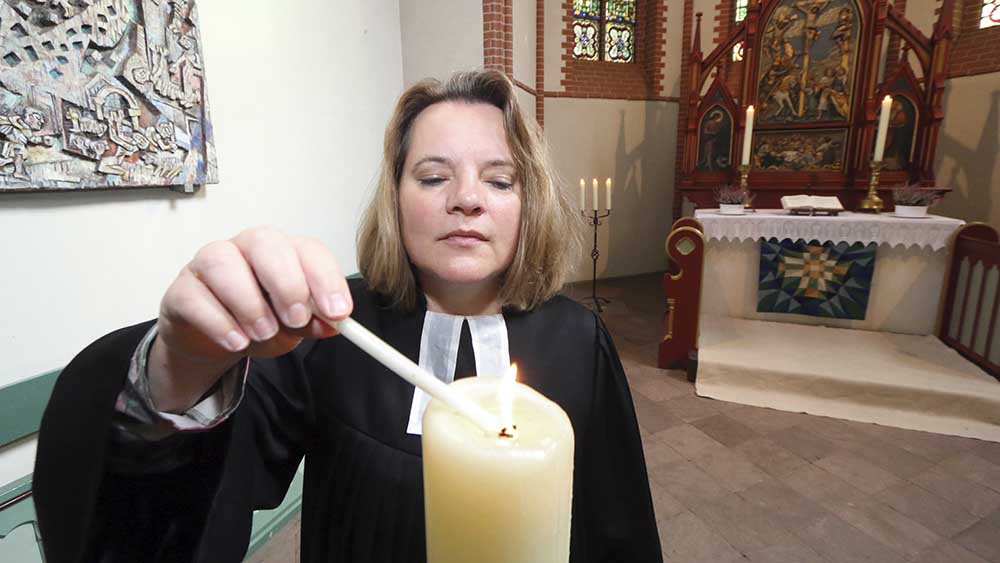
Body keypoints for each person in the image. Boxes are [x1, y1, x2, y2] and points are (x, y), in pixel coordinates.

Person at [33, 70, 662, 563]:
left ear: (531, 204)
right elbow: (183, 516)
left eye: (501, 181)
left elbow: (618, 530)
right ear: (396, 198)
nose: (467, 199)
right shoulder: (329, 332)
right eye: (433, 176)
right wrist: (181, 369)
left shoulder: (580, 340)